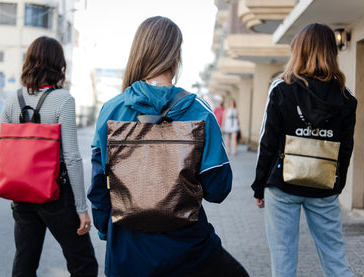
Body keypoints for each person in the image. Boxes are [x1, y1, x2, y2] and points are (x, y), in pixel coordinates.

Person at [87, 16, 249, 277]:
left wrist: (106, 230)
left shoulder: (111, 110)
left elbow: (98, 186)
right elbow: (218, 189)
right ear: (175, 56)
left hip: (127, 251)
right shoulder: (199, 111)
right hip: (189, 251)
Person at [252, 23, 356, 277]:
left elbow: (267, 141)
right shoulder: (346, 97)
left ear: (299, 51)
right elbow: (346, 147)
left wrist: (259, 185)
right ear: (332, 52)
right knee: (335, 259)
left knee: (284, 261)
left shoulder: (281, 89)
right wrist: (336, 186)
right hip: (324, 186)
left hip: (283, 183)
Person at [0, 36, 98, 277]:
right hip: (56, 196)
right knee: (83, 263)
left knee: (25, 263)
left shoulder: (12, 99)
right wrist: (81, 208)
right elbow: (71, 157)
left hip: (21, 195)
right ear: (58, 64)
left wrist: (23, 175)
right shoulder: (63, 100)